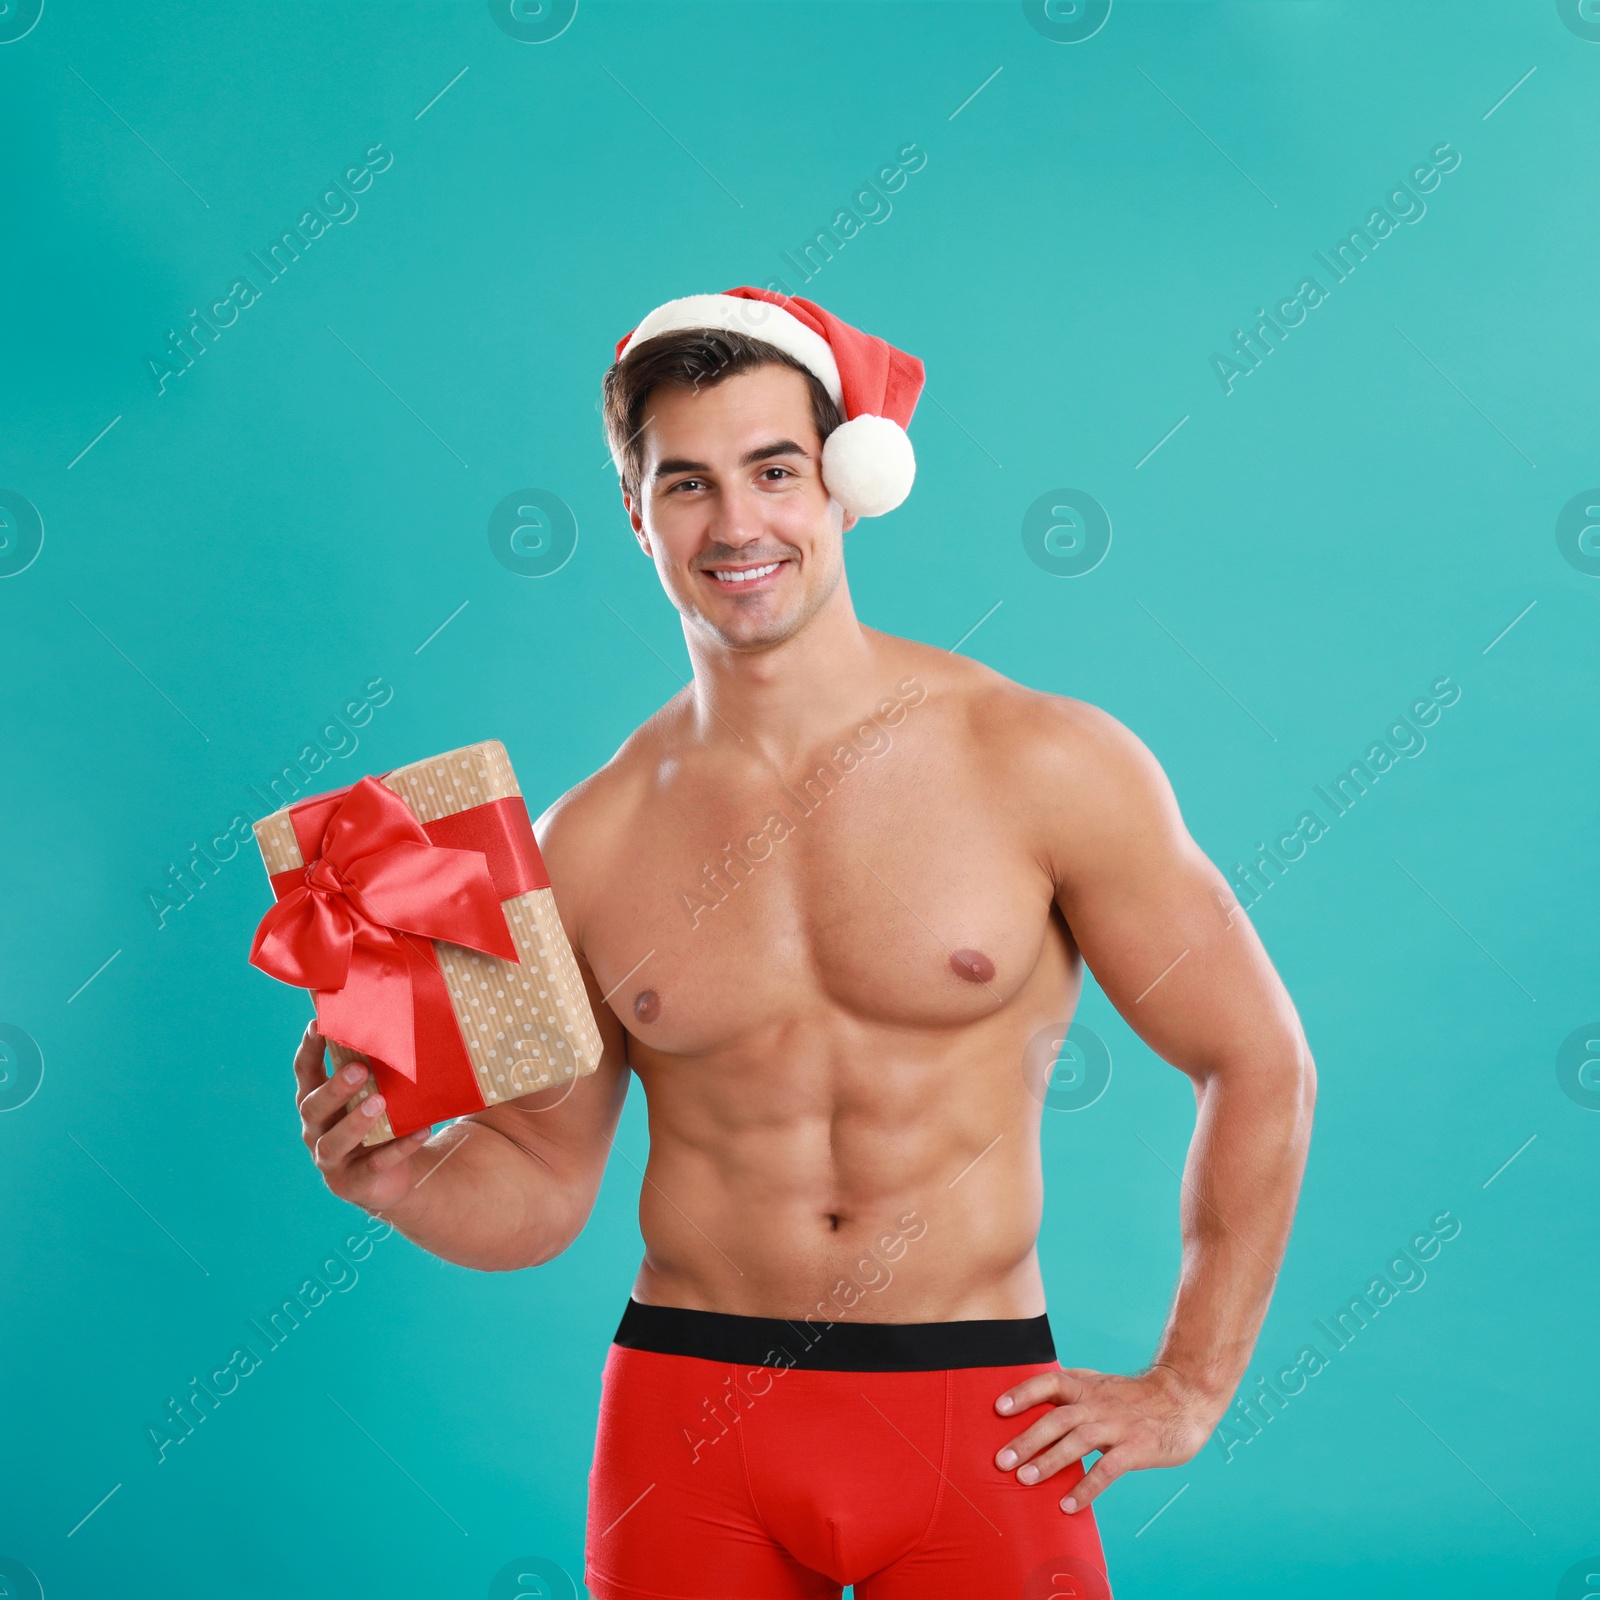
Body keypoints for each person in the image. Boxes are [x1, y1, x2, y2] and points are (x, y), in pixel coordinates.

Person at [291, 287, 1316, 1599]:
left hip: (975, 1419)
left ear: (842, 482)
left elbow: (1257, 1060)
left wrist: (1191, 1384)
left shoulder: (1044, 762)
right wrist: (402, 1182)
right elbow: (542, 1189)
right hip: (686, 1421)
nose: (737, 525)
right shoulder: (581, 841)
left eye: (774, 470)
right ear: (634, 514)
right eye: (686, 485)